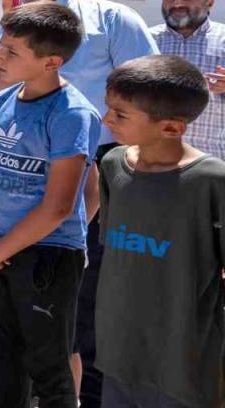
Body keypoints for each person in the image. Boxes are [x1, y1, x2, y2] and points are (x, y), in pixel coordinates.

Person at [0, 0, 157, 407]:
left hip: (71, 205)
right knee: (9, 354)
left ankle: (87, 393)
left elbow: (76, 189)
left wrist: (74, 221)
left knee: (70, 330)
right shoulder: (6, 94)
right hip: (5, 233)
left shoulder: (110, 24)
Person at [0, 2, 100, 408]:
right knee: (4, 364)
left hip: (47, 258)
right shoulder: (3, 100)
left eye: (12, 52)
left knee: (49, 370)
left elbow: (60, 206)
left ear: (51, 61)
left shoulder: (72, 113)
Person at [95, 56, 225, 408]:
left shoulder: (212, 182)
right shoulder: (111, 164)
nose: (107, 120)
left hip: (183, 364)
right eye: (109, 109)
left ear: (171, 128)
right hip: (118, 352)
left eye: (120, 114)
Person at [149, 0, 225, 159]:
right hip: (155, 159)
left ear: (210, 3)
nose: (177, 3)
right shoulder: (146, 40)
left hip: (214, 158)